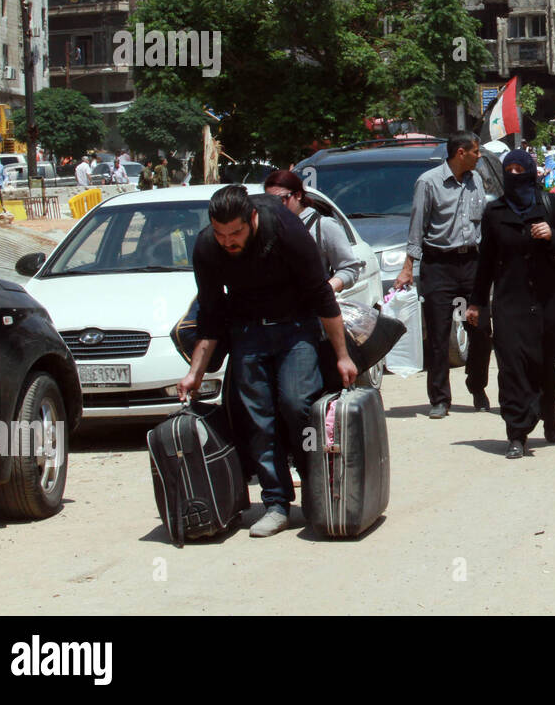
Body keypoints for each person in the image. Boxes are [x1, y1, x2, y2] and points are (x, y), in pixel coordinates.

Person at [178, 185, 357, 537]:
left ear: (252, 218)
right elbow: (211, 314)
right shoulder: (207, 247)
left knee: (297, 405)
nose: (227, 241)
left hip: (297, 329)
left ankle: (316, 492)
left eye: (236, 233)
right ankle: (276, 503)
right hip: (248, 332)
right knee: (258, 419)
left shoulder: (286, 230)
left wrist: (343, 356)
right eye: (220, 233)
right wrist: (194, 373)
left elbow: (322, 296)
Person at [467, 150, 555, 459]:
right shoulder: (495, 211)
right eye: (509, 169)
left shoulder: (550, 204)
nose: (515, 175)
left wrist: (551, 234)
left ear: (531, 172)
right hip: (509, 303)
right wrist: (476, 303)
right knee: (512, 368)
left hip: (547, 302)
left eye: (520, 169)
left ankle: (549, 412)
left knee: (546, 366)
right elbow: (485, 261)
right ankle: (516, 432)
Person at [395, 131, 493, 418]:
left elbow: (483, 224)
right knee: (438, 336)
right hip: (439, 267)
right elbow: (417, 226)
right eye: (475, 151)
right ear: (461, 152)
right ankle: (439, 398)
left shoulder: (476, 180)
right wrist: (408, 266)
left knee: (480, 330)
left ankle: (477, 386)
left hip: (471, 266)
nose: (479, 156)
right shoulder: (428, 182)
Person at [264, 170, 362, 296]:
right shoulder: (266, 227)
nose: (275, 206)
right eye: (269, 201)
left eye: (281, 199)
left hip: (312, 309)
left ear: (298, 195)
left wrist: (325, 290)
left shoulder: (324, 226)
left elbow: (350, 269)